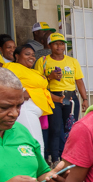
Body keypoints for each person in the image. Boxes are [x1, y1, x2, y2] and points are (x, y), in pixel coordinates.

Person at [35, 33, 87, 163]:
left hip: (70, 96)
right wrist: (50, 77)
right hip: (53, 96)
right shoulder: (43, 61)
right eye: (56, 43)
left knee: (70, 128)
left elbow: (79, 81)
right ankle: (55, 157)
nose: (59, 46)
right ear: (50, 45)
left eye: (62, 43)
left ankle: (69, 156)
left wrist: (84, 99)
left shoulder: (72, 61)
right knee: (55, 128)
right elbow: (36, 81)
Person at [3, 44, 55, 155]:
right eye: (27, 54)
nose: (31, 57)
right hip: (25, 108)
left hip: (35, 110)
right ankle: (41, 171)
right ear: (17, 56)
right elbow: (5, 83)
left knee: (29, 142)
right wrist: (21, 91)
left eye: (33, 55)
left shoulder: (34, 71)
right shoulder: (11, 67)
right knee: (36, 143)